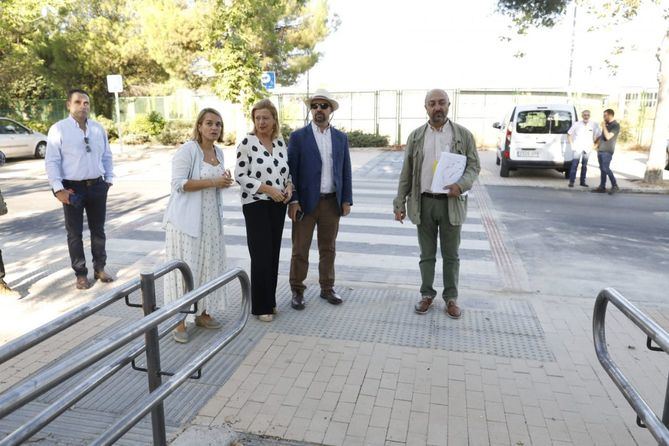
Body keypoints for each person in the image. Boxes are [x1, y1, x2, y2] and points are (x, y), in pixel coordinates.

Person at [393, 89, 480, 319]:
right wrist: (399, 202)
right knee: (427, 254)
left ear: (449, 105)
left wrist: (461, 185)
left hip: (451, 203)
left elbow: (474, 167)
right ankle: (426, 295)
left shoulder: (463, 135)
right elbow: (407, 173)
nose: (437, 107)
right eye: (432, 104)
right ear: (426, 108)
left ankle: (451, 298)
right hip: (424, 202)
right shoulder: (416, 136)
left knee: (451, 255)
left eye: (441, 103)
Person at [162, 108, 233, 343]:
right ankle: (179, 321)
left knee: (208, 268)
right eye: (210, 123)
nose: (214, 128)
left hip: (210, 221)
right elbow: (178, 184)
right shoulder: (188, 150)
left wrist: (223, 182)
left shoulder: (218, 151)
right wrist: (213, 180)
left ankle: (203, 313)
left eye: (218, 124)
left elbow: (214, 182)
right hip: (185, 223)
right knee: (186, 271)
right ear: (199, 126)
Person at [287, 89, 353, 310]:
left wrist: (346, 200)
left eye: (323, 106)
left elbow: (346, 171)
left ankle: (327, 287)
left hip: (331, 203)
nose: (318, 110)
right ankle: (297, 289)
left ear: (330, 110)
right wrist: (293, 201)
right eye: (314, 106)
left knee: (328, 248)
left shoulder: (341, 138)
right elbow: (291, 172)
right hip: (305, 203)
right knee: (300, 249)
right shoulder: (298, 137)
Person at [45, 89, 115, 290]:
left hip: (97, 186)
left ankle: (99, 268)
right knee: (74, 233)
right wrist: (59, 189)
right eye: (78, 102)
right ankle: (81, 274)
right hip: (72, 189)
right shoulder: (58, 129)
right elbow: (52, 162)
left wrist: (108, 180)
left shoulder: (97, 128)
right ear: (69, 105)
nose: (83, 106)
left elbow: (107, 156)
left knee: (98, 231)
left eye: (86, 103)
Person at [234, 99, 292, 322]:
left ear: (274, 119)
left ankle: (271, 300)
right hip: (256, 204)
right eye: (257, 118)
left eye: (265, 118)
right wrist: (268, 189)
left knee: (273, 254)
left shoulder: (279, 142)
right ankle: (260, 306)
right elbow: (240, 175)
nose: (261, 122)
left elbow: (286, 171)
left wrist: (288, 186)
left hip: (278, 205)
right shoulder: (247, 142)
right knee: (260, 256)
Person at [567, 110, 600, 188]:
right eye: (585, 115)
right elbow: (569, 134)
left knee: (584, 166)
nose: (586, 116)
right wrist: (572, 145)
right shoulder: (576, 124)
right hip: (577, 147)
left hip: (588, 148)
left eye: (588, 115)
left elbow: (599, 135)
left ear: (589, 116)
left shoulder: (594, 124)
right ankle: (571, 182)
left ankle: (582, 182)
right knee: (574, 165)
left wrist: (595, 145)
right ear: (582, 116)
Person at [592, 108, 620, 195]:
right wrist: (596, 145)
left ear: (610, 115)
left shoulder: (615, 125)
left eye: (605, 115)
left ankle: (615, 185)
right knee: (602, 169)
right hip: (601, 150)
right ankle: (602, 187)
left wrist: (604, 126)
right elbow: (602, 137)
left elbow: (608, 137)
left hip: (607, 151)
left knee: (605, 168)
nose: (603, 117)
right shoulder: (607, 124)